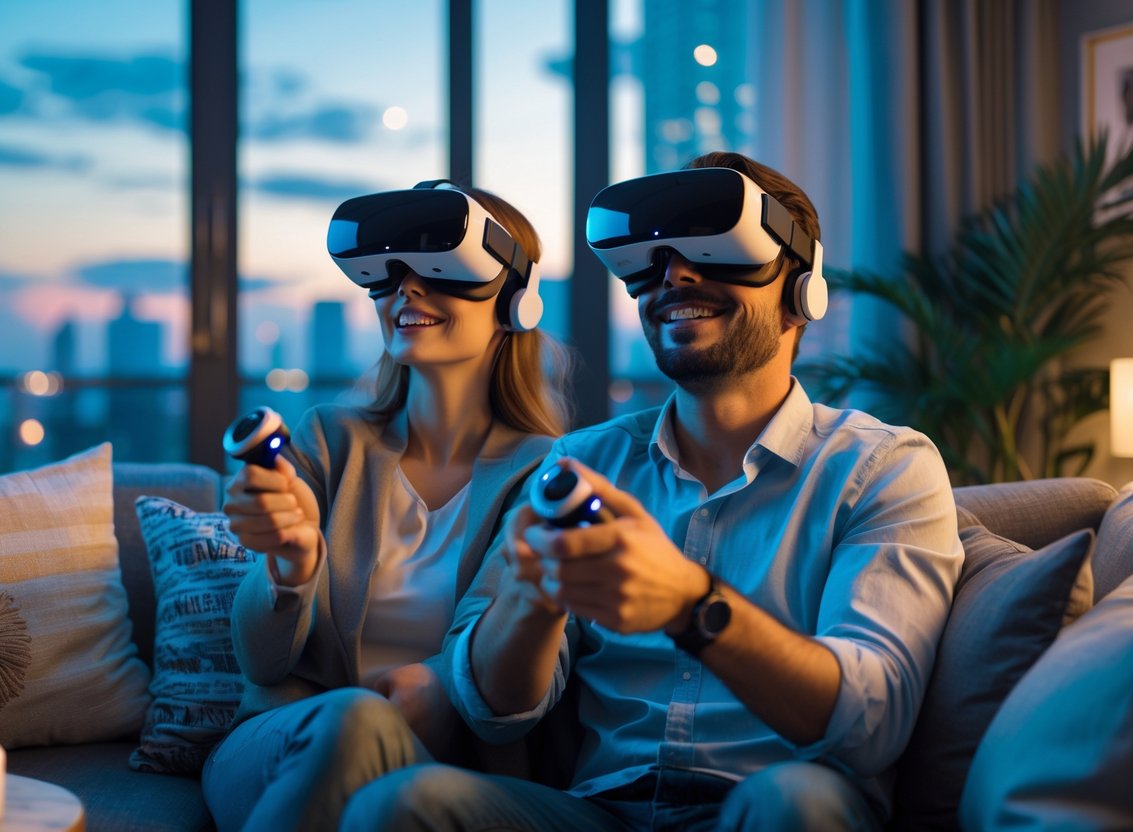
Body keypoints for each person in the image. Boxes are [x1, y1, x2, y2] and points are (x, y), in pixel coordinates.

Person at [334, 152, 965, 831]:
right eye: (652, 262)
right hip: (601, 811)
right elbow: (491, 709)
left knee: (792, 803)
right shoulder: (582, 463)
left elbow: (870, 721)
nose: (675, 276)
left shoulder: (883, 467)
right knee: (397, 806)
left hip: (771, 802)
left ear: (799, 288)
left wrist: (692, 606)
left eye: (717, 253)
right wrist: (530, 598)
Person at [200, 180, 572, 831]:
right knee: (354, 717)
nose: (406, 290)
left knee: (371, 734)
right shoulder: (327, 441)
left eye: (440, 270)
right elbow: (261, 663)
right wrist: (289, 568)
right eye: (387, 275)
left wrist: (438, 682)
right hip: (287, 748)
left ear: (517, 299)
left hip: (446, 775)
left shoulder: (549, 475)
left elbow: (512, 683)